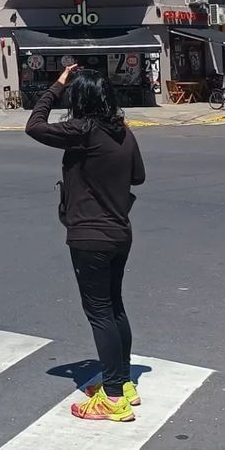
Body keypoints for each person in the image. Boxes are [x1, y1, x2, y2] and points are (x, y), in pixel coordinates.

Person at [25, 64, 146, 424]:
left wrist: (57, 85)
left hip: (89, 234)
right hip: (119, 232)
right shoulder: (122, 132)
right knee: (114, 307)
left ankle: (112, 397)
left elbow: (34, 125)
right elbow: (138, 177)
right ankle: (123, 384)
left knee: (99, 313)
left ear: (81, 98)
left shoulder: (83, 130)